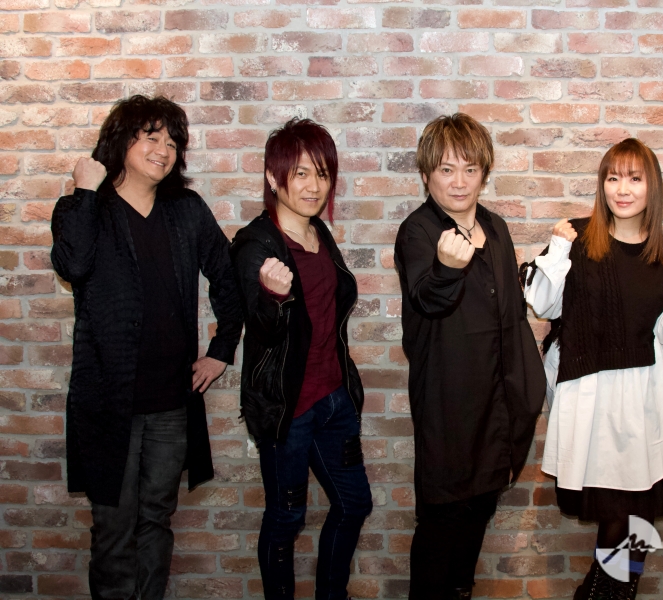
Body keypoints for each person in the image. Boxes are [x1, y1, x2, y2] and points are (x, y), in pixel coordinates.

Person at [50, 95, 243, 600]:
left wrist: (222, 348)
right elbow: (73, 264)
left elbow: (227, 276)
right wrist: (85, 190)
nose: (165, 150)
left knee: (157, 520)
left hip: (171, 403)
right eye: (152, 137)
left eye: (173, 142)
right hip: (107, 405)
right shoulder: (84, 208)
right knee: (113, 530)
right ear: (122, 141)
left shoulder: (186, 210)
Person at [523, 138, 663, 600]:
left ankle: (605, 592)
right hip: (592, 398)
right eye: (613, 177)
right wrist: (557, 250)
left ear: (651, 187)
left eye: (635, 178)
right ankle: (606, 592)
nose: (622, 189)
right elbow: (543, 303)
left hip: (645, 397)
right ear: (602, 184)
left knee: (637, 508)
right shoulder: (578, 238)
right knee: (619, 509)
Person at [394, 113, 545, 600]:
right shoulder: (418, 232)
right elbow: (426, 299)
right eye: (446, 169)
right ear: (426, 175)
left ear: (484, 173)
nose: (459, 182)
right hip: (448, 405)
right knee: (442, 519)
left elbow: (512, 318)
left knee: (480, 509)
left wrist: (528, 388)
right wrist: (445, 268)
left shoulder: (496, 228)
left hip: (496, 405)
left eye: (470, 169)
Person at [230, 118, 372, 600]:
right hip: (287, 410)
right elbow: (262, 330)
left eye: (322, 174)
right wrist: (272, 297)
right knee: (286, 517)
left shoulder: (319, 233)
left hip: (334, 400)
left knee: (353, 504)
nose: (314, 186)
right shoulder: (256, 244)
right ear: (274, 178)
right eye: (301, 174)